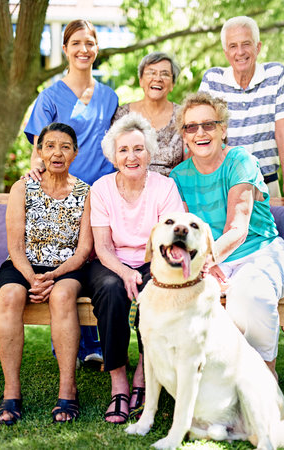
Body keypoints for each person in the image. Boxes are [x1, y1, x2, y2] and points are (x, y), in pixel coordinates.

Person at [169, 92, 284, 380]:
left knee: (248, 293)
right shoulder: (178, 177)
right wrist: (205, 267)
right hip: (214, 261)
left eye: (209, 125)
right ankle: (214, 386)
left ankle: (264, 378)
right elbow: (187, 233)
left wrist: (206, 260)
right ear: (184, 136)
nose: (200, 132)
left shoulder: (240, 161)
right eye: (191, 127)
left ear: (223, 129)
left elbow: (237, 230)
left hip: (261, 253)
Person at [24, 19, 118, 363]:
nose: (83, 49)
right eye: (76, 43)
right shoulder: (50, 96)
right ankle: (67, 342)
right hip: (60, 194)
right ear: (65, 48)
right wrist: (38, 163)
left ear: (96, 48)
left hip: (101, 194)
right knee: (64, 259)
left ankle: (93, 345)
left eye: (89, 43)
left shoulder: (110, 96)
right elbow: (40, 147)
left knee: (94, 261)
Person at [86, 113, 184, 423]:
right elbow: (101, 247)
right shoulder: (101, 189)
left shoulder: (164, 187)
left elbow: (168, 241)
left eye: (138, 149)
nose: (132, 156)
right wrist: (125, 271)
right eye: (124, 150)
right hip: (111, 261)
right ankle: (118, 383)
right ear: (113, 155)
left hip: (153, 259)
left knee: (152, 289)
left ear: (149, 152)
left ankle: (142, 374)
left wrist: (144, 272)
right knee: (112, 290)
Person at [0, 123, 92, 425]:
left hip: (67, 267)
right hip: (24, 264)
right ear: (39, 152)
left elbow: (83, 252)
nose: (57, 152)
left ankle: (68, 390)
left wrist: (52, 276)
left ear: (75, 153)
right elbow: (15, 244)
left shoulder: (86, 193)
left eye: (65, 146)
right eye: (49, 146)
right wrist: (32, 277)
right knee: (9, 295)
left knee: (63, 295)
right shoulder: (22, 188)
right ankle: (11, 392)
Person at [199, 16, 284, 203]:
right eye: (233, 46)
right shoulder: (213, 79)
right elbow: (202, 133)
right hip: (223, 185)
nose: (240, 52)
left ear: (257, 47)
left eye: (246, 44)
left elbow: (283, 132)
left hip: (267, 183)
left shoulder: (276, 75)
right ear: (226, 52)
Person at [113, 52, 187, 176]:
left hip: (171, 189)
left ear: (172, 84)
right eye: (151, 73)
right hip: (128, 186)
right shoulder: (122, 115)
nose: (157, 78)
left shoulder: (183, 115)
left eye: (165, 74)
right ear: (141, 80)